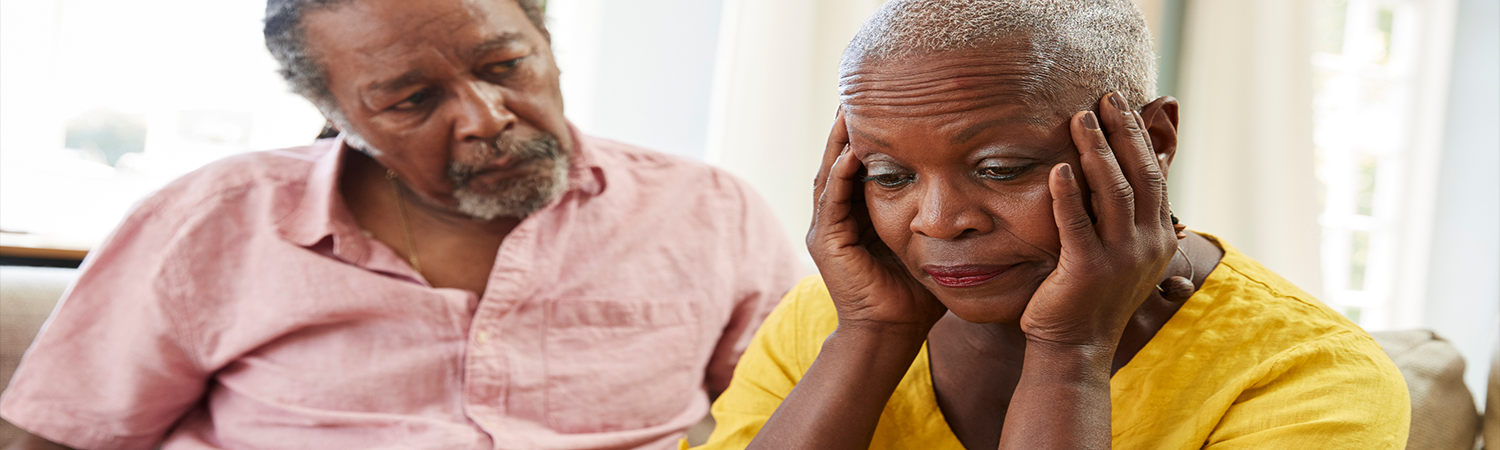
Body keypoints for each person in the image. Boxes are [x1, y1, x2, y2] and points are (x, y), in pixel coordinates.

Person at [0, 0, 802, 449]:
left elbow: (792, 418)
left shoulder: (710, 211)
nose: (487, 118)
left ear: (548, 43)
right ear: (337, 114)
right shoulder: (213, 219)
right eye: (411, 100)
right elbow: (58, 437)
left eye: (505, 66)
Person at [694, 1, 1410, 449]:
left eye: (1002, 168)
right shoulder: (833, 315)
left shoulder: (1308, 378)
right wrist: (871, 338)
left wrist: (1070, 354)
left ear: (1151, 141)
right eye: (890, 176)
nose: (941, 223)